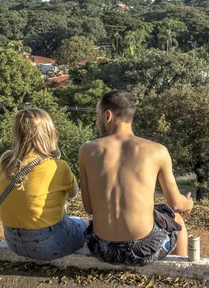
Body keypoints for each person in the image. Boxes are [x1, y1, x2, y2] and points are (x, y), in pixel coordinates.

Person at [78, 90, 193, 266]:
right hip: (145, 250)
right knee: (176, 217)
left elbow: (89, 208)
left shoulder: (86, 150)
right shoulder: (157, 150)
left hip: (102, 248)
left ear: (108, 115)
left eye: (97, 115)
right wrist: (188, 203)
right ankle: (180, 268)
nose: (96, 121)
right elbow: (176, 203)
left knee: (161, 212)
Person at [0, 109, 88, 261]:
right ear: (49, 133)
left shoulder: (5, 159)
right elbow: (73, 193)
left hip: (13, 242)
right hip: (49, 246)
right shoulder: (58, 166)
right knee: (84, 223)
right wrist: (56, 157)